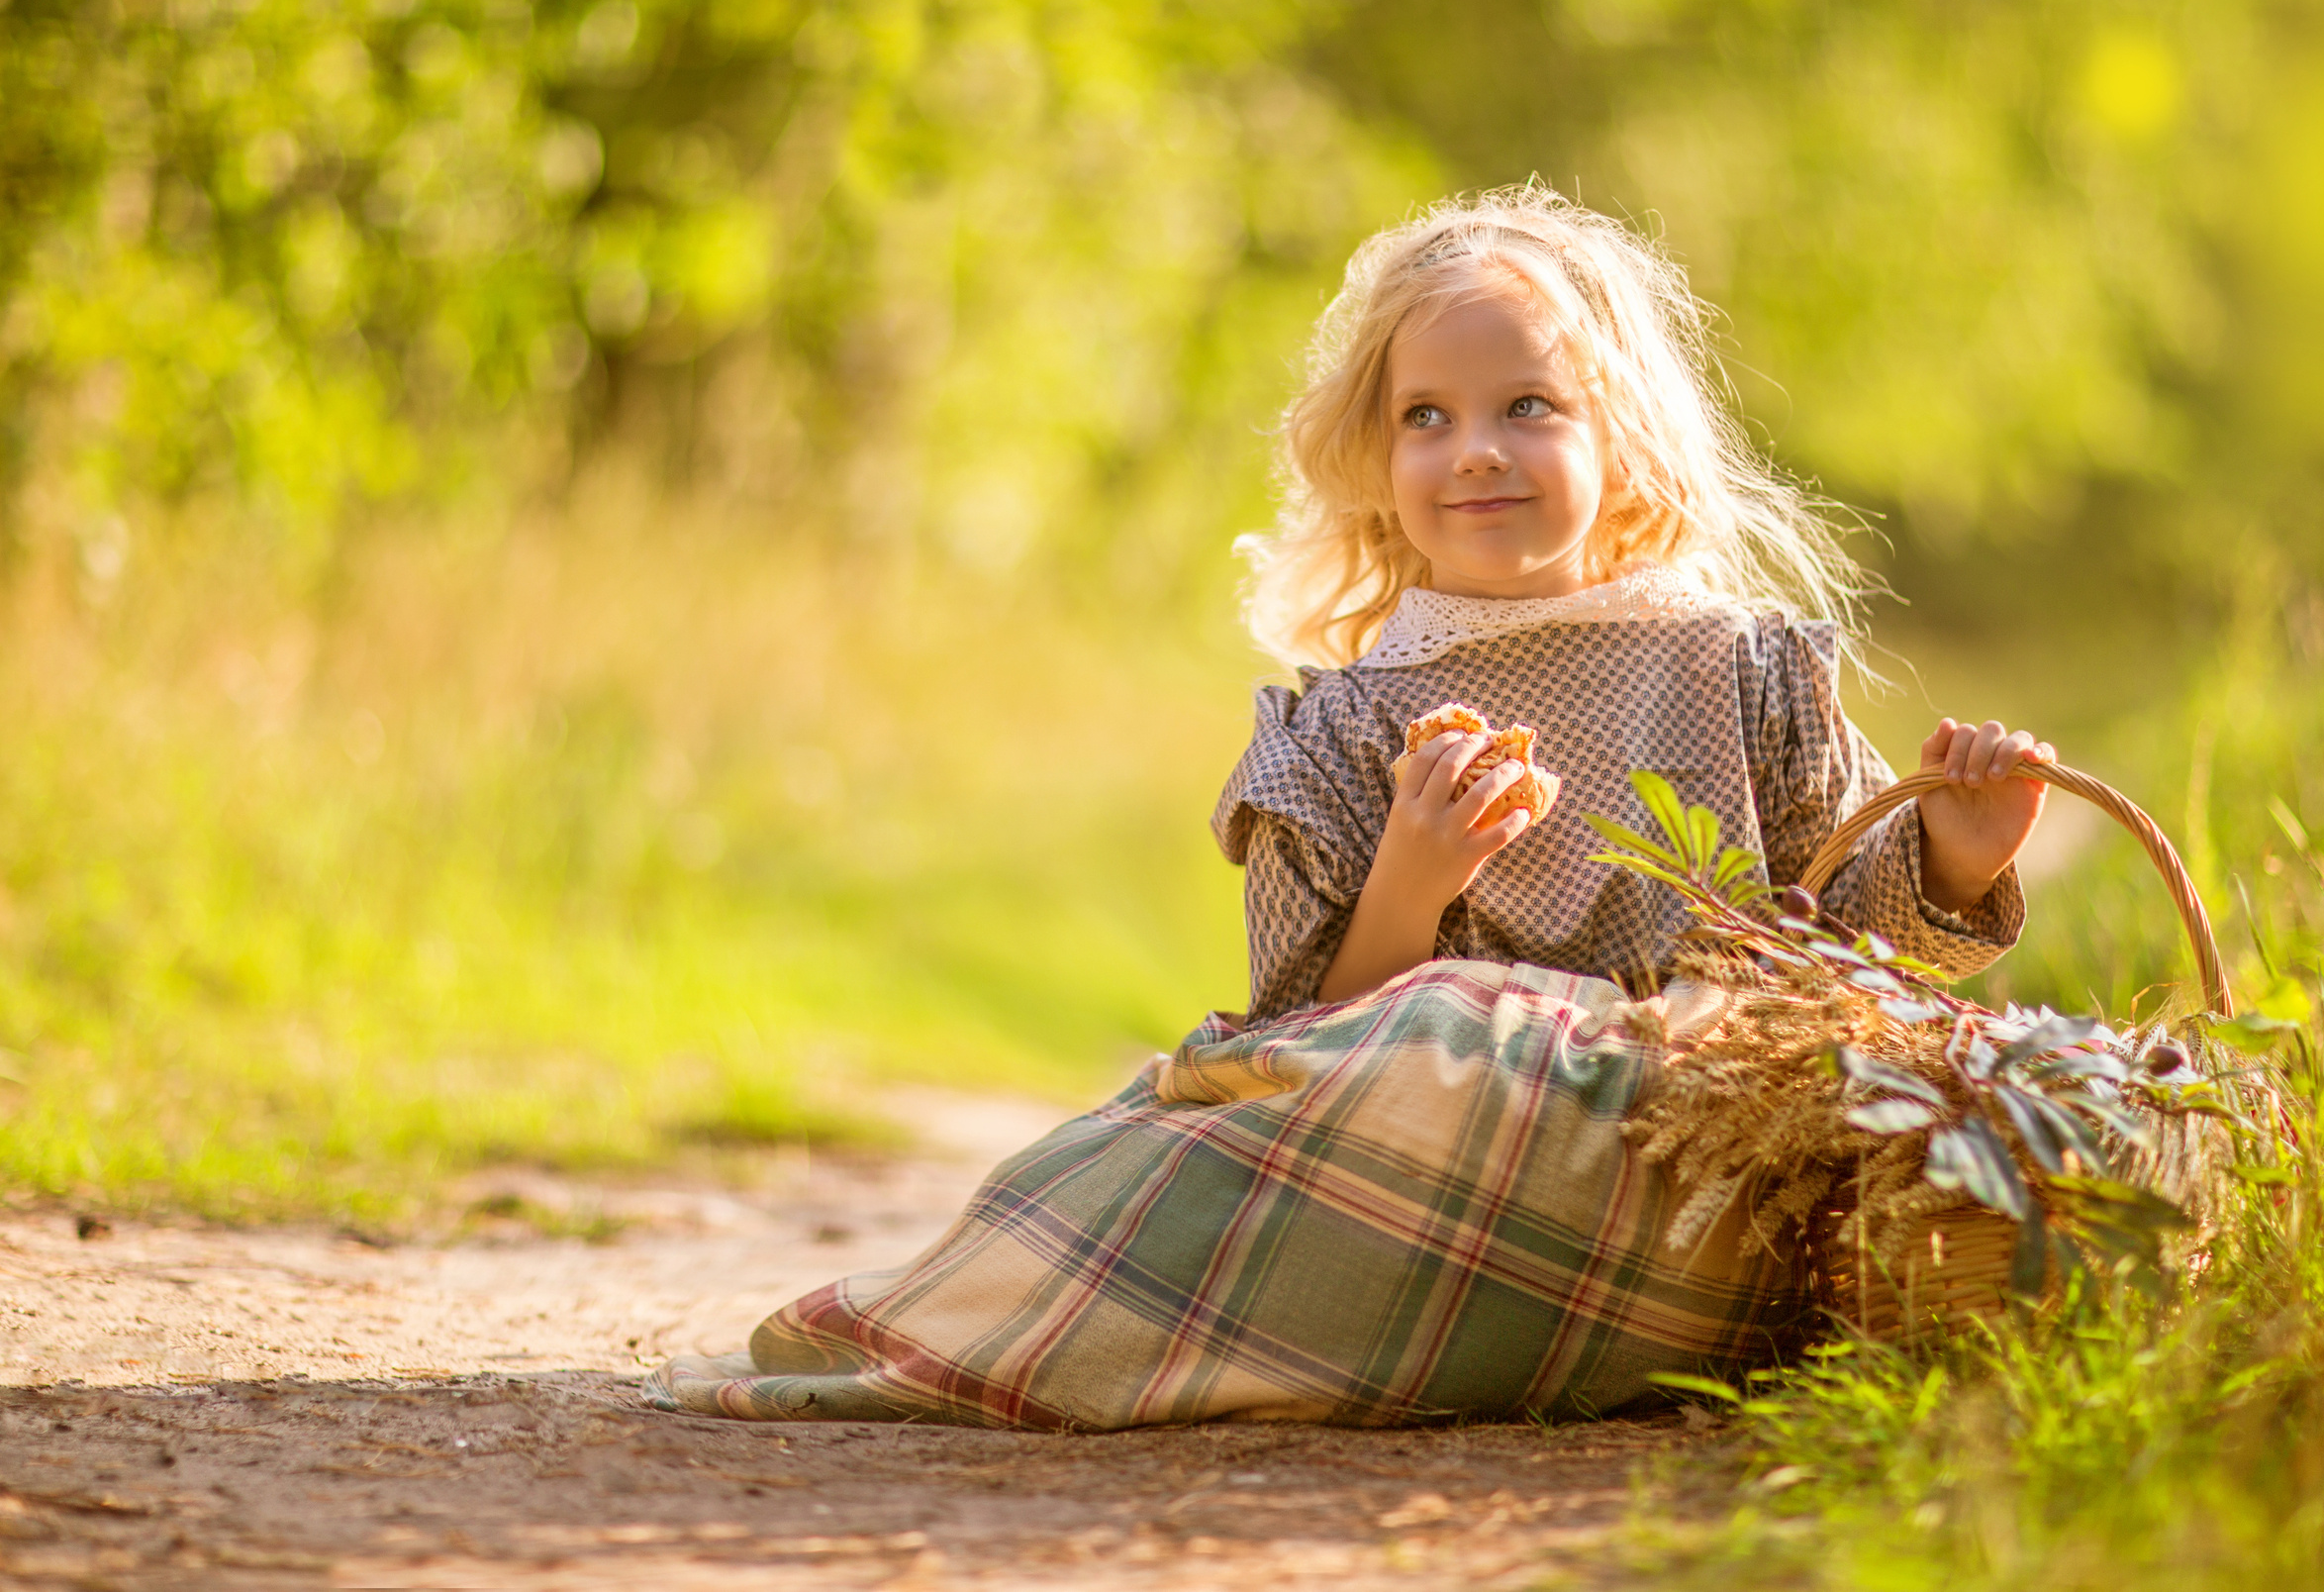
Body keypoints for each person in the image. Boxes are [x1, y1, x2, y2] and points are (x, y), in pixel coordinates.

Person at [648, 186, 2052, 1429]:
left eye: (1529, 408)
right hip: (1446, 1167)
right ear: (1374, 459)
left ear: (1622, 437)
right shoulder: (1349, 723)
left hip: (1690, 1139)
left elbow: (1856, 960)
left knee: (1897, 1109)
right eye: (1425, 418)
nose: (1475, 452)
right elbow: (1314, 1041)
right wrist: (1417, 874)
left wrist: (1958, 852)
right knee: (1322, 1086)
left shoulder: (1744, 670)